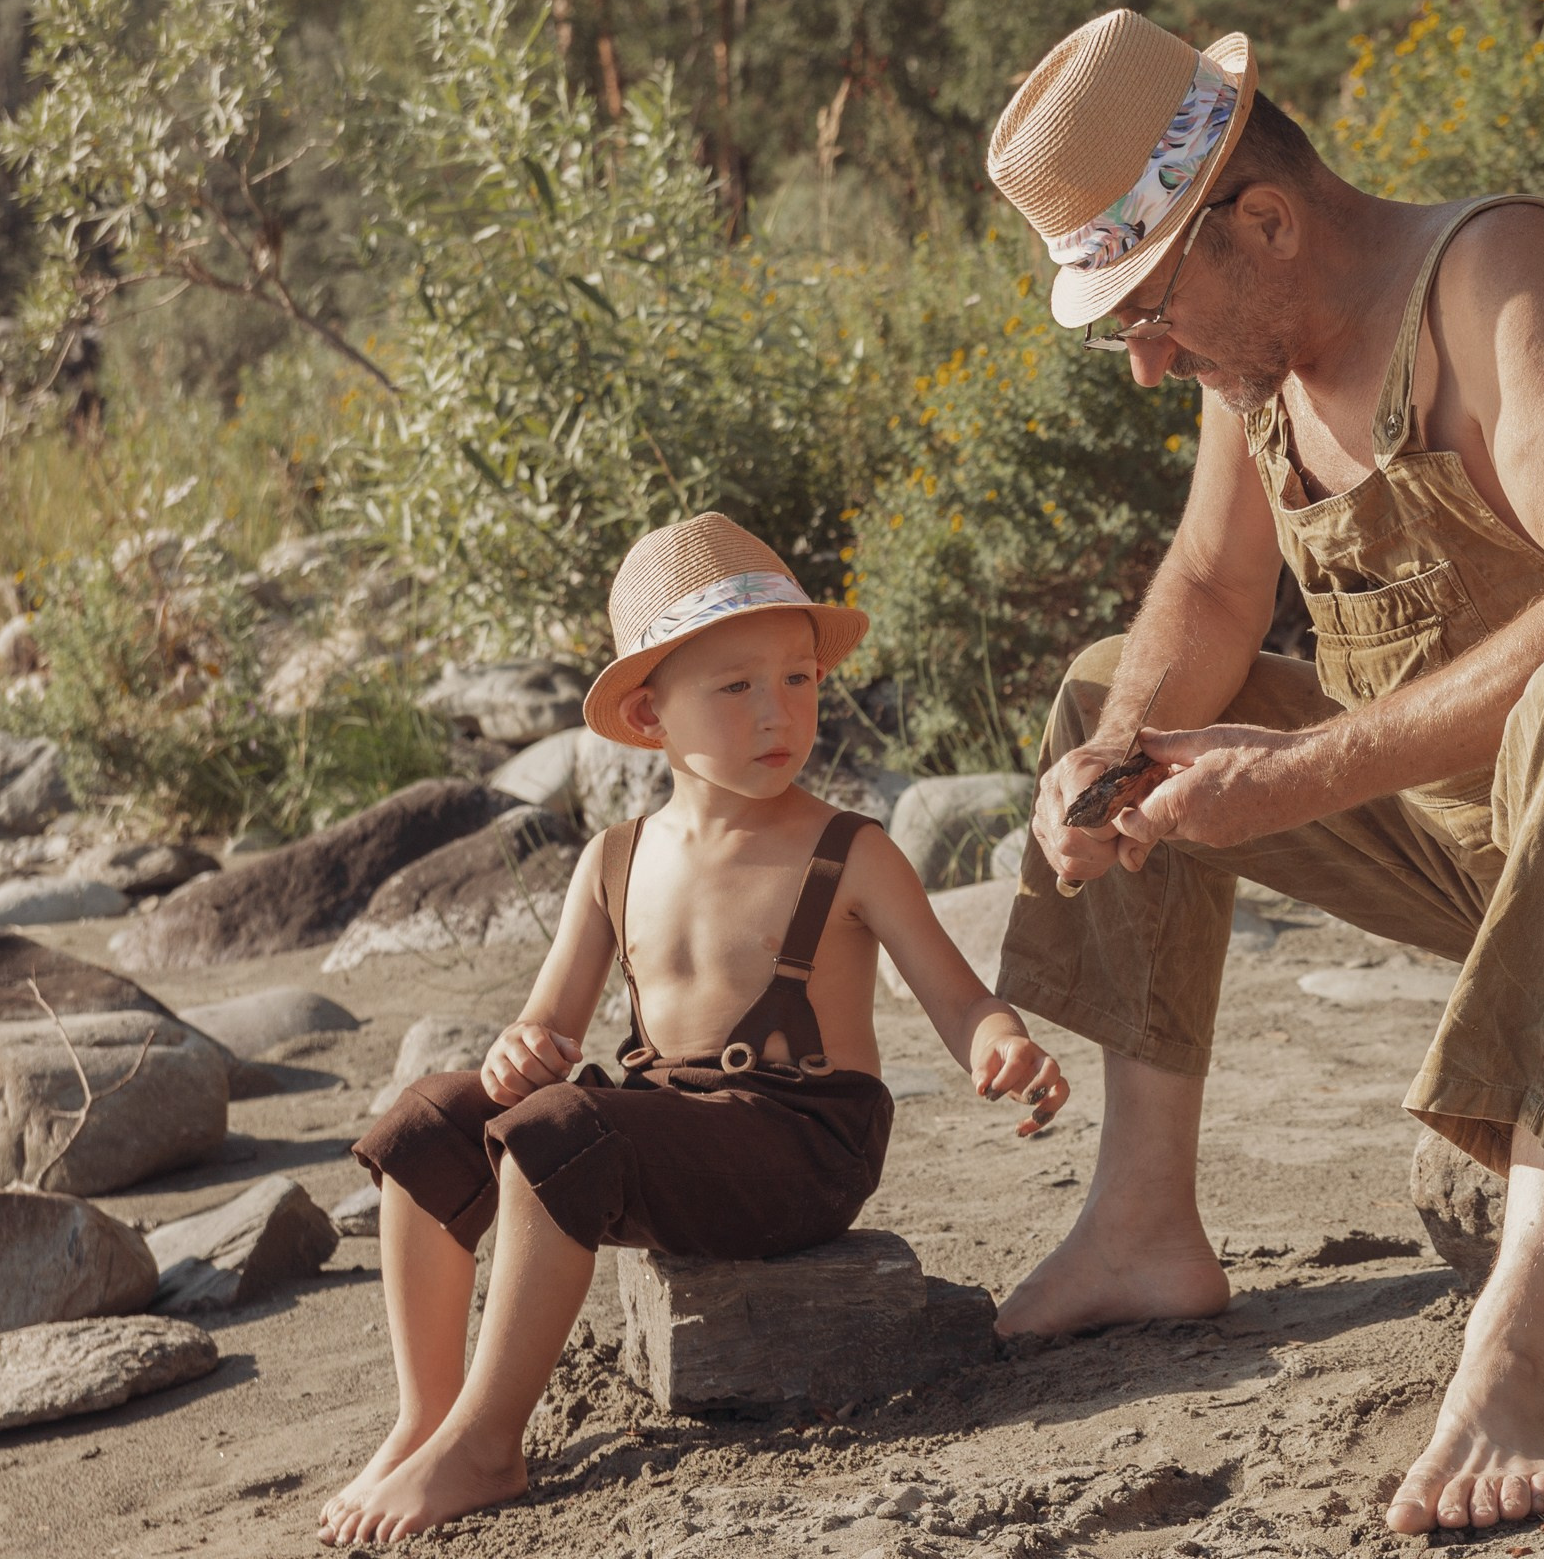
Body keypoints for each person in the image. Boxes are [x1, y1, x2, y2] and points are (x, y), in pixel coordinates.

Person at [982, 11, 1544, 1535]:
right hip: (1488, 843)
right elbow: (1212, 595)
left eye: (1147, 307)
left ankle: (1525, 1347)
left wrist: (1293, 774)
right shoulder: (1257, 367)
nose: (1144, 360)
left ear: (1262, 222)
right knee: (1111, 698)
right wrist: (1111, 757)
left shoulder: (1495, 280)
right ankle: (1141, 1218)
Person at [317, 513, 1069, 1547]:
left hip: (802, 1145)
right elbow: (546, 1023)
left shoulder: (850, 852)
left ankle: (489, 1443)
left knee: (565, 1129)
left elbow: (957, 998)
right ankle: (428, 1413)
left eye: (799, 679)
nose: (779, 711)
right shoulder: (615, 859)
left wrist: (1002, 1044)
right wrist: (516, 1049)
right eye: (736, 686)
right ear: (649, 712)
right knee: (435, 1114)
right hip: (670, 1127)